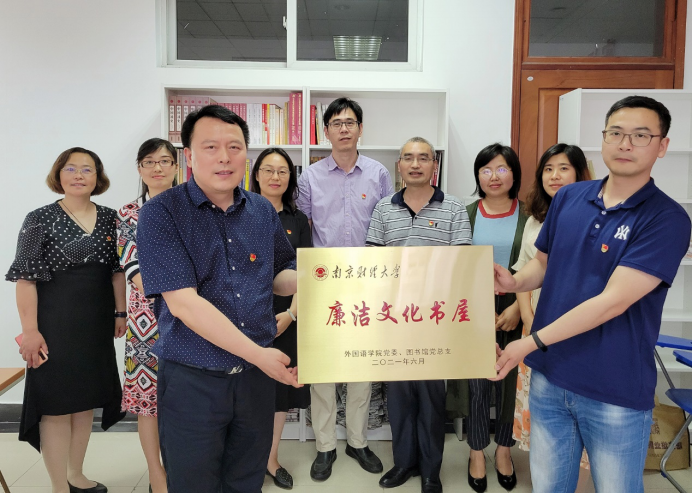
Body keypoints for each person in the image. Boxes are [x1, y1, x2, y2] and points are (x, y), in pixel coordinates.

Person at [492, 96, 691, 493]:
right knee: (549, 487)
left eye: (640, 135)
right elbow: (543, 265)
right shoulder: (569, 198)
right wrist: (513, 283)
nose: (625, 144)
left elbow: (611, 302)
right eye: (616, 133)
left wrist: (529, 343)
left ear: (662, 146)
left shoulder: (667, 219)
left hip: (613, 388)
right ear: (603, 139)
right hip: (551, 377)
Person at [136, 105, 299, 493]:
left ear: (246, 154)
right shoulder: (161, 213)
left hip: (255, 382)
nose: (224, 157)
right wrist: (259, 354)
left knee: (247, 479)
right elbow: (184, 304)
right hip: (193, 379)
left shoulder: (261, 210)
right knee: (193, 482)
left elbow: (280, 277)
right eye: (210, 147)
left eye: (234, 147)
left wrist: (321, 279)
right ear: (189, 156)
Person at [7, 147, 127, 494]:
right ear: (58, 175)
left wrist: (120, 313)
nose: (78, 175)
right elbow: (26, 279)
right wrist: (30, 331)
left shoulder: (111, 218)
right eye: (70, 168)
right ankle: (59, 486)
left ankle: (76, 474)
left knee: (84, 401)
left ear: (98, 177)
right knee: (56, 406)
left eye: (87, 169)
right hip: (54, 325)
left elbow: (117, 272)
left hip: (96, 325)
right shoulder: (39, 218)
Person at [366, 137, 472, 494]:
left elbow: (463, 264)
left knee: (431, 399)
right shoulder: (384, 208)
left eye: (423, 158)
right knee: (399, 398)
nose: (415, 164)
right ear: (399, 165)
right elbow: (372, 261)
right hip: (395, 319)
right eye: (408, 158)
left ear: (433, 166)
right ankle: (404, 463)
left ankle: (430, 470)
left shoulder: (453, 208)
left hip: (435, 321)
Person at [296, 97, 394, 481]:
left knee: (361, 366)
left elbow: (386, 223)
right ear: (326, 131)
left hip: (368, 283)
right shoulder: (310, 177)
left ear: (360, 128)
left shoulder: (378, 173)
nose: (343, 129)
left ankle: (357, 440)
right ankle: (325, 446)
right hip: (325, 283)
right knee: (322, 367)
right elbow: (304, 228)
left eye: (350, 122)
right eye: (336, 123)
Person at [446, 143, 528, 494]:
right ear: (478, 176)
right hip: (472, 305)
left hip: (521, 305)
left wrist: (516, 308)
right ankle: (477, 451)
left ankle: (505, 450)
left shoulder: (531, 216)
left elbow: (541, 265)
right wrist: (481, 307)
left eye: (502, 169)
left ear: (514, 174)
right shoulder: (464, 214)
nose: (494, 176)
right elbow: (454, 267)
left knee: (512, 382)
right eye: (486, 170)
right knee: (477, 383)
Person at [512, 143, 593, 491]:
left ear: (579, 174)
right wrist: (527, 317)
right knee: (543, 412)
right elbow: (524, 268)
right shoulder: (534, 219)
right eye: (548, 169)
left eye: (563, 168)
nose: (554, 176)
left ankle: (579, 481)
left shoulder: (593, 215)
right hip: (536, 322)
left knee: (578, 409)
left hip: (576, 324)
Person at [117, 138, 179, 494]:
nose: (158, 168)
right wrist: (179, 293)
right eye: (150, 162)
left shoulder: (194, 206)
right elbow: (133, 268)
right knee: (147, 402)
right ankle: (156, 474)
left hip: (194, 319)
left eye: (165, 161)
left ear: (176, 166)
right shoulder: (128, 213)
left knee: (187, 398)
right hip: (147, 323)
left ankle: (183, 467)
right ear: (140, 168)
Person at [250, 147, 312, 490]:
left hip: (286, 317)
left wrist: (290, 314)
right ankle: (245, 460)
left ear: (291, 178)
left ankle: (271, 458)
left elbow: (306, 272)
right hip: (243, 319)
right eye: (268, 169)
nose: (275, 176)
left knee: (278, 392)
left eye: (283, 171)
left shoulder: (297, 220)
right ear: (256, 174)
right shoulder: (238, 212)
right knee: (246, 389)